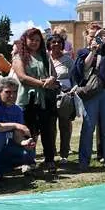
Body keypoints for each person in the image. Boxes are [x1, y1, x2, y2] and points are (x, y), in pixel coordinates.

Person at [72, 23, 105, 170]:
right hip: (91, 92)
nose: (95, 38)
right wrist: (92, 51)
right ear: (86, 36)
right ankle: (84, 160)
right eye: (92, 36)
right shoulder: (82, 52)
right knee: (88, 126)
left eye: (97, 36)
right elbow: (85, 67)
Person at [12, 28, 60, 173]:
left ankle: (49, 160)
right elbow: (22, 77)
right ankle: (27, 161)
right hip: (27, 99)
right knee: (28, 132)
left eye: (37, 40)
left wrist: (51, 79)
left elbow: (54, 74)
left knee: (47, 131)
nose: (34, 42)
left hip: (44, 99)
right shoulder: (18, 56)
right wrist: (42, 83)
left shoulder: (45, 56)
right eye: (31, 39)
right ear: (25, 40)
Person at [48, 34, 75, 163]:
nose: (56, 44)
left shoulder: (68, 60)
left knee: (64, 125)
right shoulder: (45, 59)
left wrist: (73, 91)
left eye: (59, 42)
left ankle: (64, 154)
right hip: (49, 96)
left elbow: (75, 76)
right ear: (49, 45)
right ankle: (51, 153)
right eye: (53, 42)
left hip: (65, 95)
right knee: (50, 126)